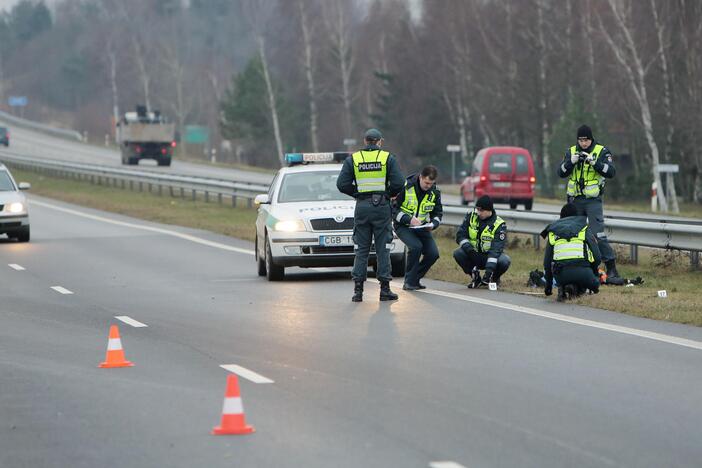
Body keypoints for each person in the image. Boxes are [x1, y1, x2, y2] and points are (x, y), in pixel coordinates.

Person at [337, 128, 405, 302]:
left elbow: (342, 184)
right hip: (381, 206)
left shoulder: (353, 159)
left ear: (365, 141)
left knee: (361, 249)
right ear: (379, 142)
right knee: (383, 248)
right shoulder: (387, 158)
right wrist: (387, 194)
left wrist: (358, 193)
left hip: (362, 207)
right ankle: (384, 290)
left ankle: (358, 291)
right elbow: (399, 183)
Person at [557, 124, 620, 279]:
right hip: (575, 200)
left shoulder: (602, 151)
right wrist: (570, 162)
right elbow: (561, 173)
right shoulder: (571, 151)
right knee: (573, 233)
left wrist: (595, 163)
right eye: (581, 140)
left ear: (591, 139)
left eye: (586, 140)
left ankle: (611, 266)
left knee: (597, 234)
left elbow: (611, 172)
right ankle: (577, 264)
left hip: (593, 201)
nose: (583, 143)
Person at [392, 165, 442, 291]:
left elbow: (438, 213)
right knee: (416, 247)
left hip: (422, 227)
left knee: (433, 254)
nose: (428, 186)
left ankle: (415, 279)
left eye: (431, 183)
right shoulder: (405, 187)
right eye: (426, 182)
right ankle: (408, 282)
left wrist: (433, 224)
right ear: (420, 177)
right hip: (403, 226)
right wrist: (409, 219)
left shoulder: (434, 192)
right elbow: (393, 209)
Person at [542, 203, 602, 301]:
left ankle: (564, 287)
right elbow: (597, 257)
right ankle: (579, 289)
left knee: (564, 276)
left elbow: (547, 264)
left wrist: (548, 285)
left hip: (561, 275)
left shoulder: (553, 231)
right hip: (583, 273)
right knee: (594, 284)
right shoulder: (584, 228)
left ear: (561, 216)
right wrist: (593, 271)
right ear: (576, 215)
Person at [453, 195, 511, 288]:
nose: (478, 213)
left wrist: (488, 272)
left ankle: (494, 278)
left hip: (489, 257)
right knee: (458, 253)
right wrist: (470, 251)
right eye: (477, 209)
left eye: (481, 210)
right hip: (473, 253)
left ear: (489, 210)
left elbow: (495, 250)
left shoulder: (499, 224)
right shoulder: (471, 217)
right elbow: (460, 235)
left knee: (505, 260)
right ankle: (475, 278)